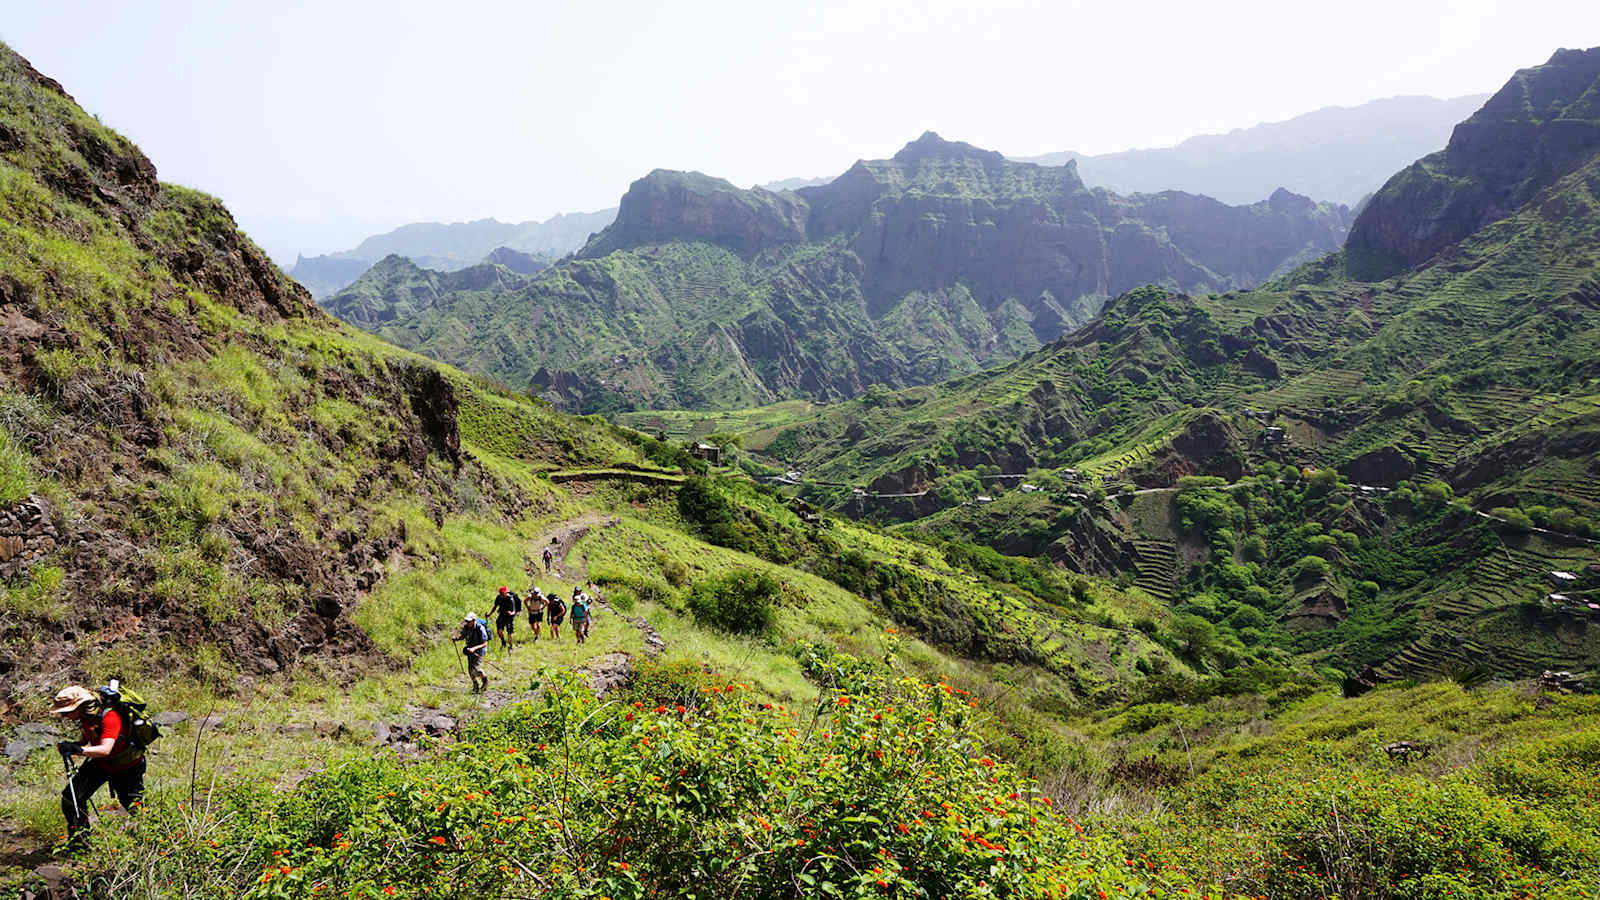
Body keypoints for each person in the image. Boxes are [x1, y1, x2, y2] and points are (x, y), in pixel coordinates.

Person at [51, 685, 145, 839]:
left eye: (66, 711)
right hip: (103, 763)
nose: (63, 716)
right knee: (71, 797)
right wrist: (73, 745)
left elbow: (105, 749)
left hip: (126, 766)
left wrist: (78, 751)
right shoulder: (86, 717)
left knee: (133, 805)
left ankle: (158, 838)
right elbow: (88, 740)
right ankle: (80, 841)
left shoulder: (110, 716)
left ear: (79, 706)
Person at [457, 612, 490, 692]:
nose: (467, 623)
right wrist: (457, 638)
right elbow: (462, 636)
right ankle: (475, 685)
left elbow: (485, 643)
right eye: (466, 621)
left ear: (474, 620)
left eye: (469, 621)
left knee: (475, 668)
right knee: (470, 668)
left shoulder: (480, 628)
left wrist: (474, 648)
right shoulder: (466, 627)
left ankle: (485, 680)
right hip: (470, 649)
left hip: (480, 650)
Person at [492, 586, 521, 652]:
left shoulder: (510, 599)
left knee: (509, 633)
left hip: (509, 617)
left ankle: (510, 646)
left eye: (502, 593)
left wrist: (511, 613)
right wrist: (489, 614)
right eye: (500, 593)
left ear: (506, 592)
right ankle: (503, 641)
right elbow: (495, 607)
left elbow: (514, 611)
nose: (501, 595)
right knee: (499, 631)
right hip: (501, 616)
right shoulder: (498, 597)